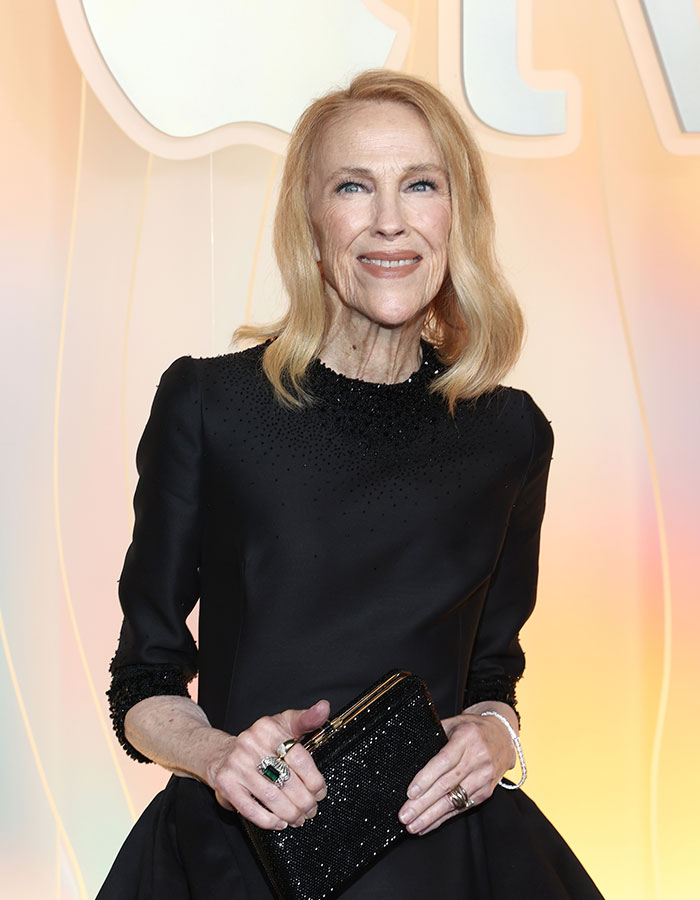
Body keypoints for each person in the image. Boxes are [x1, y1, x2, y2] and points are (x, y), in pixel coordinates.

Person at [98, 70, 604, 899]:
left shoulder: (510, 434)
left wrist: (496, 740)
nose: (390, 221)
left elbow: (491, 682)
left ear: (457, 213)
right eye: (353, 186)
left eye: (420, 185)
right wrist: (220, 755)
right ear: (311, 219)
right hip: (241, 864)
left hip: (450, 866)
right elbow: (143, 682)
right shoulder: (209, 406)